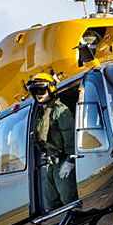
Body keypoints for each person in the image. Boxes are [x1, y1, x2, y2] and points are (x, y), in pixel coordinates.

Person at [27, 72, 77, 211]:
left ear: (51, 89)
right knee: (51, 204)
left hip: (64, 161)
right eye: (35, 91)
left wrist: (70, 162)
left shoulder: (60, 111)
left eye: (41, 90)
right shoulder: (40, 114)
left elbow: (71, 138)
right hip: (51, 163)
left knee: (68, 200)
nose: (38, 94)